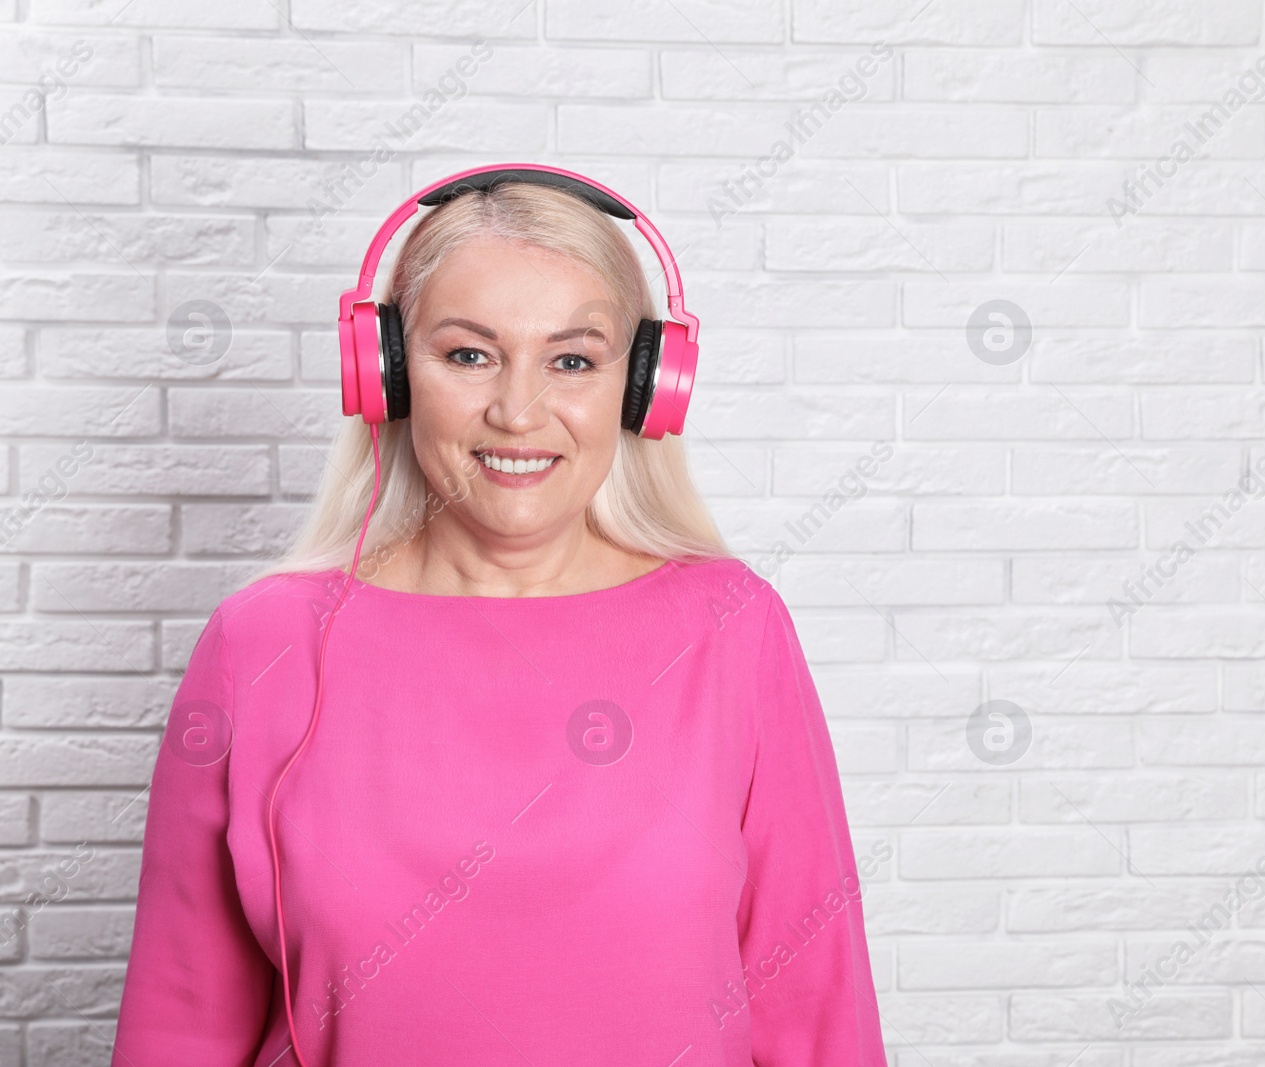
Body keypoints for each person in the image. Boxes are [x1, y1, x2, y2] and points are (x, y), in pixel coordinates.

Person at [110, 171, 890, 1067]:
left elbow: (818, 1010)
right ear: (388, 374)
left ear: (642, 388)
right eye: (469, 354)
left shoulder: (731, 628)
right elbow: (180, 1020)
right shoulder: (263, 644)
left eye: (573, 359)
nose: (518, 412)